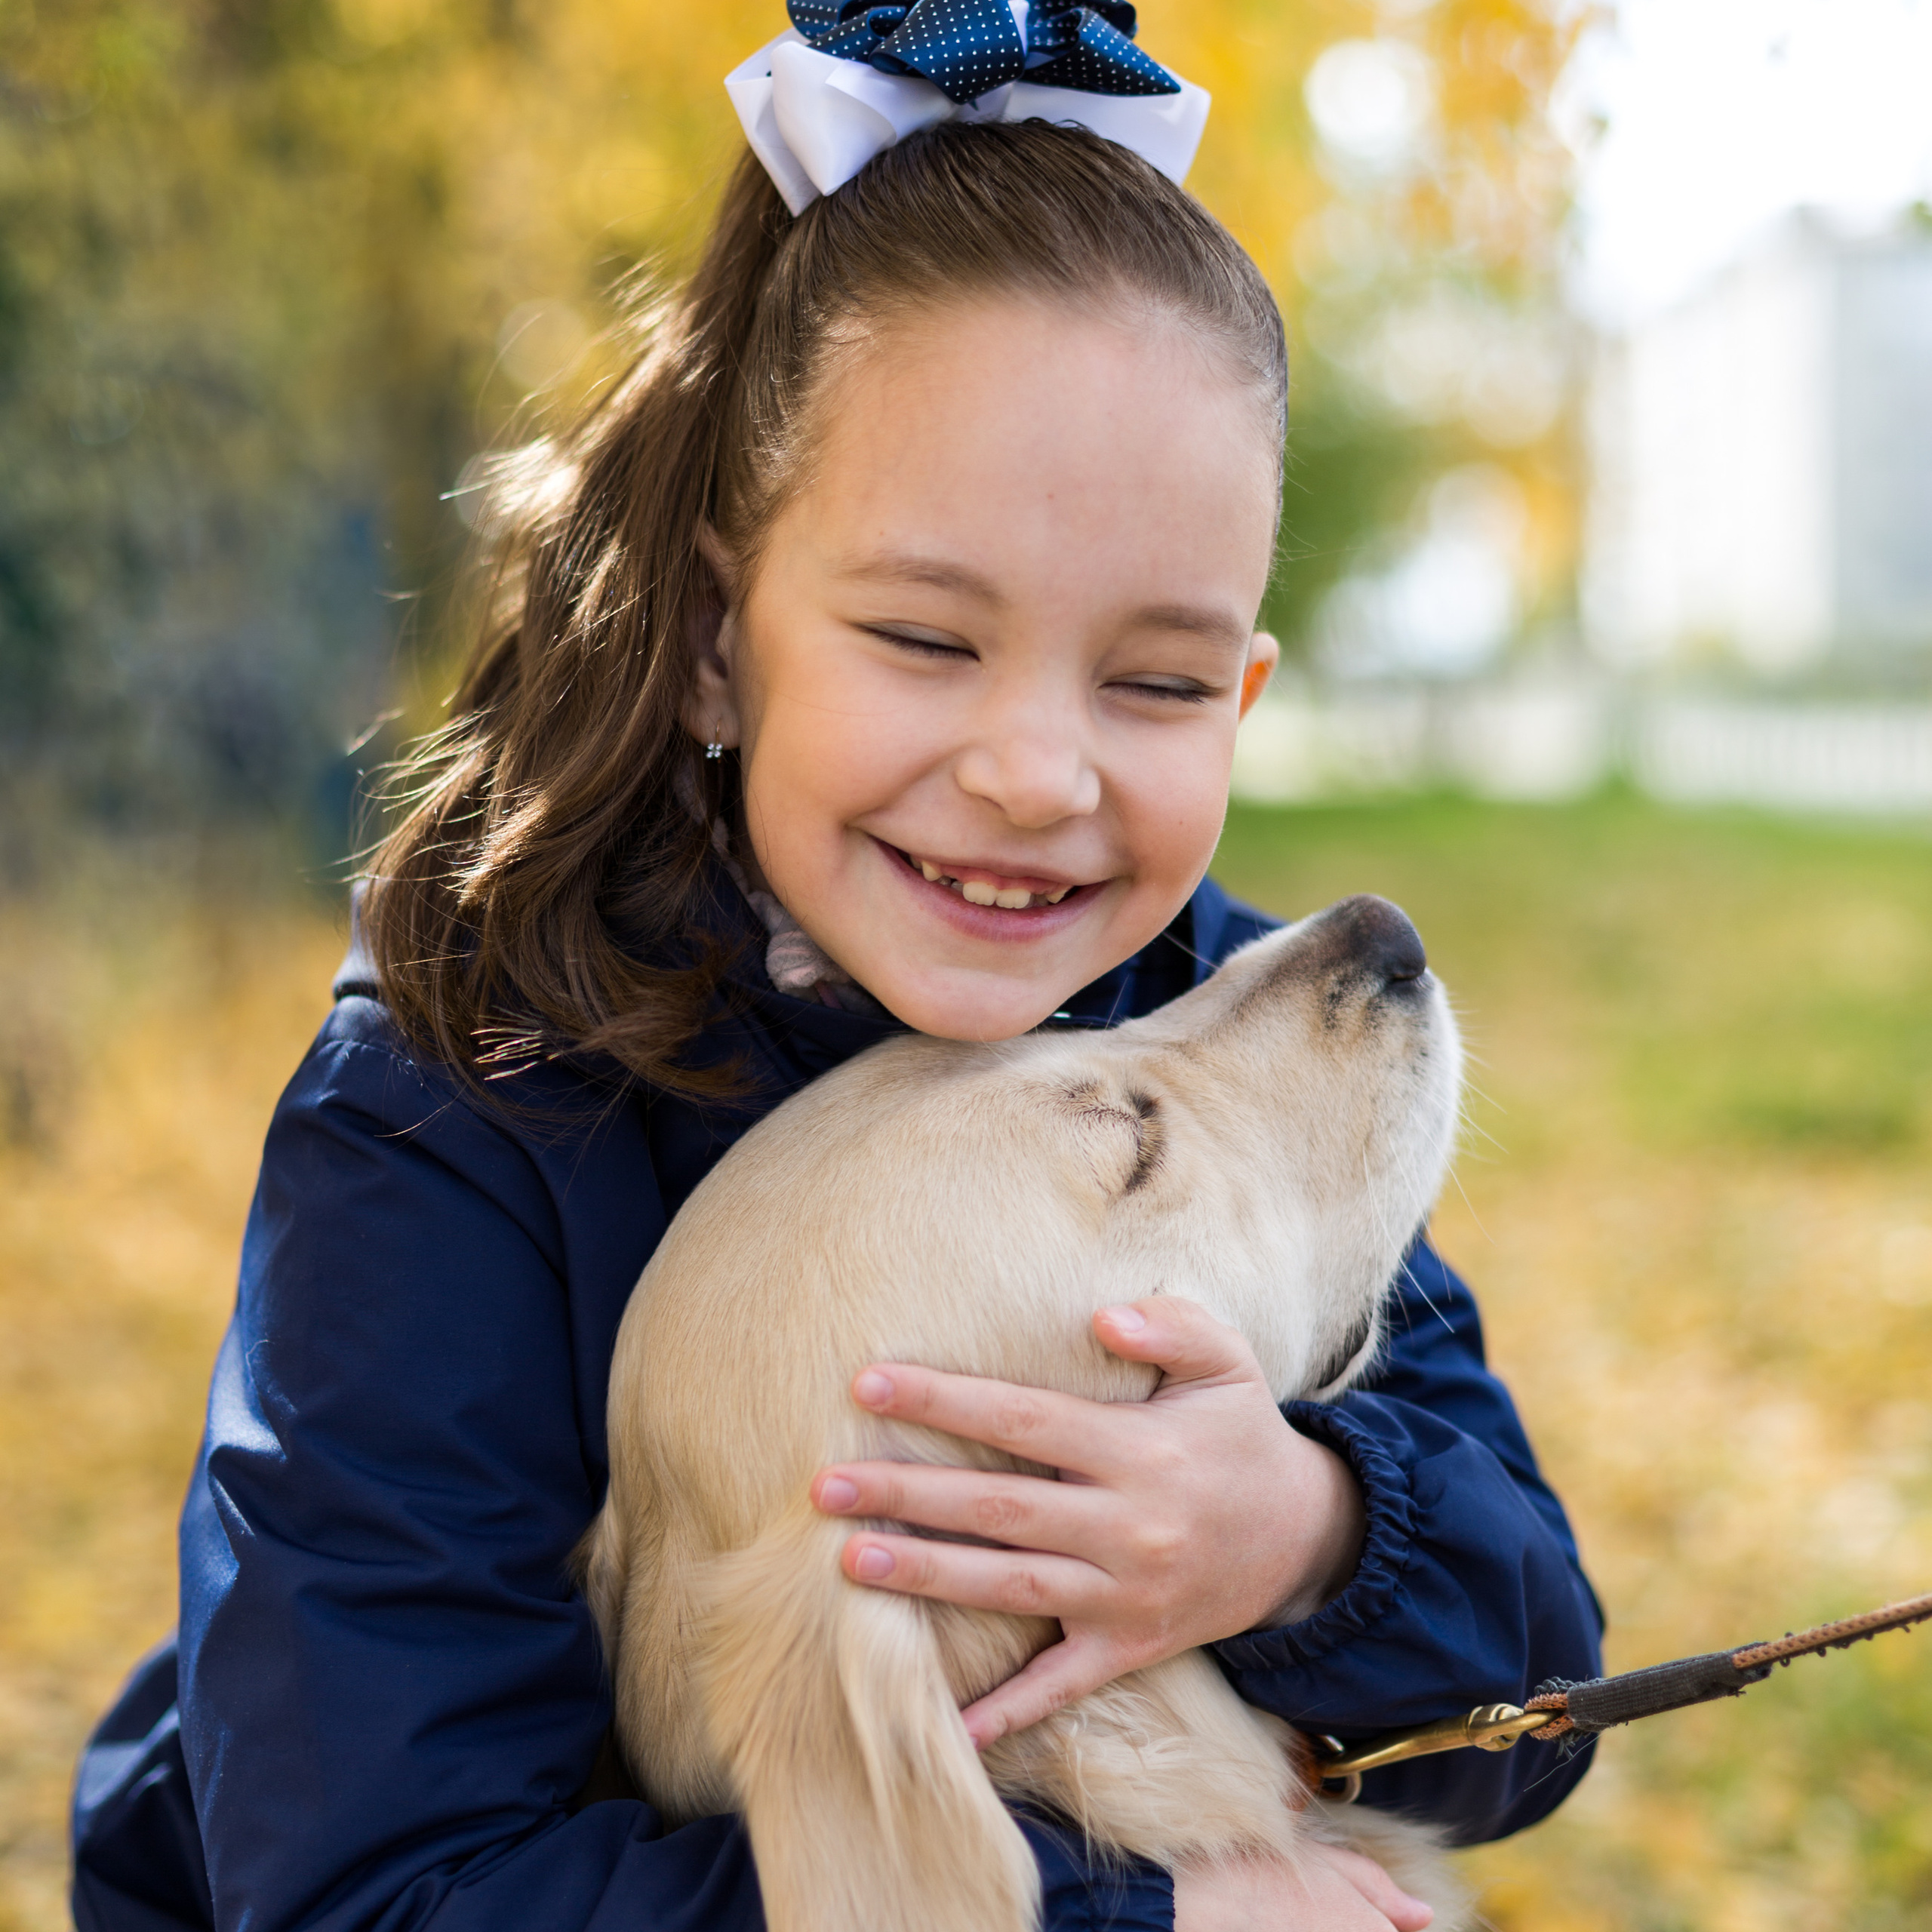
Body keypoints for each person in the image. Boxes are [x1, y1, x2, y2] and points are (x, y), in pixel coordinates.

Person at [72, 17, 1602, 1930]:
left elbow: (1529, 1710)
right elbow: (377, 1880)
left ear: (1242, 701)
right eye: (921, 636)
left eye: (1150, 680)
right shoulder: (455, 1104)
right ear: (720, 641)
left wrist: (1306, 1530)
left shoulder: (1183, 1012)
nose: (1037, 774)